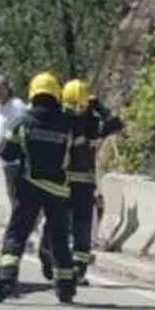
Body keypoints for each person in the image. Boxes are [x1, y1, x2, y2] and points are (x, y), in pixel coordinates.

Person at [0, 72, 76, 304]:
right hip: (58, 191)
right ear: (56, 95)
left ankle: (6, 280)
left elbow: (6, 151)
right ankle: (66, 287)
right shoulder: (66, 125)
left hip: (28, 188)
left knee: (17, 234)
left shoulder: (24, 122)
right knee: (59, 239)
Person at [39, 79, 123, 285]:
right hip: (82, 186)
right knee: (81, 226)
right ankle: (77, 267)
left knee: (57, 223)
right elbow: (116, 123)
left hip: (60, 183)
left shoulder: (58, 119)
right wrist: (99, 107)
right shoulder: (92, 123)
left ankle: (49, 257)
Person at [0, 75, 26, 205]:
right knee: (12, 195)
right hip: (5, 162)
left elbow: (22, 128)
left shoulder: (17, 105)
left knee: (16, 197)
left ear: (7, 89)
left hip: (15, 160)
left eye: (0, 88)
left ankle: (20, 224)